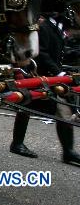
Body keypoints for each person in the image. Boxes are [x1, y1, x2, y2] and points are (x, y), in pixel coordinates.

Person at [10, 11, 80, 166]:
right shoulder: (43, 27)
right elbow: (41, 53)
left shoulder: (57, 28)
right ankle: (17, 143)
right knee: (26, 106)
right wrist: (58, 72)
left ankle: (68, 151)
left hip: (53, 75)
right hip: (39, 73)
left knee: (63, 109)